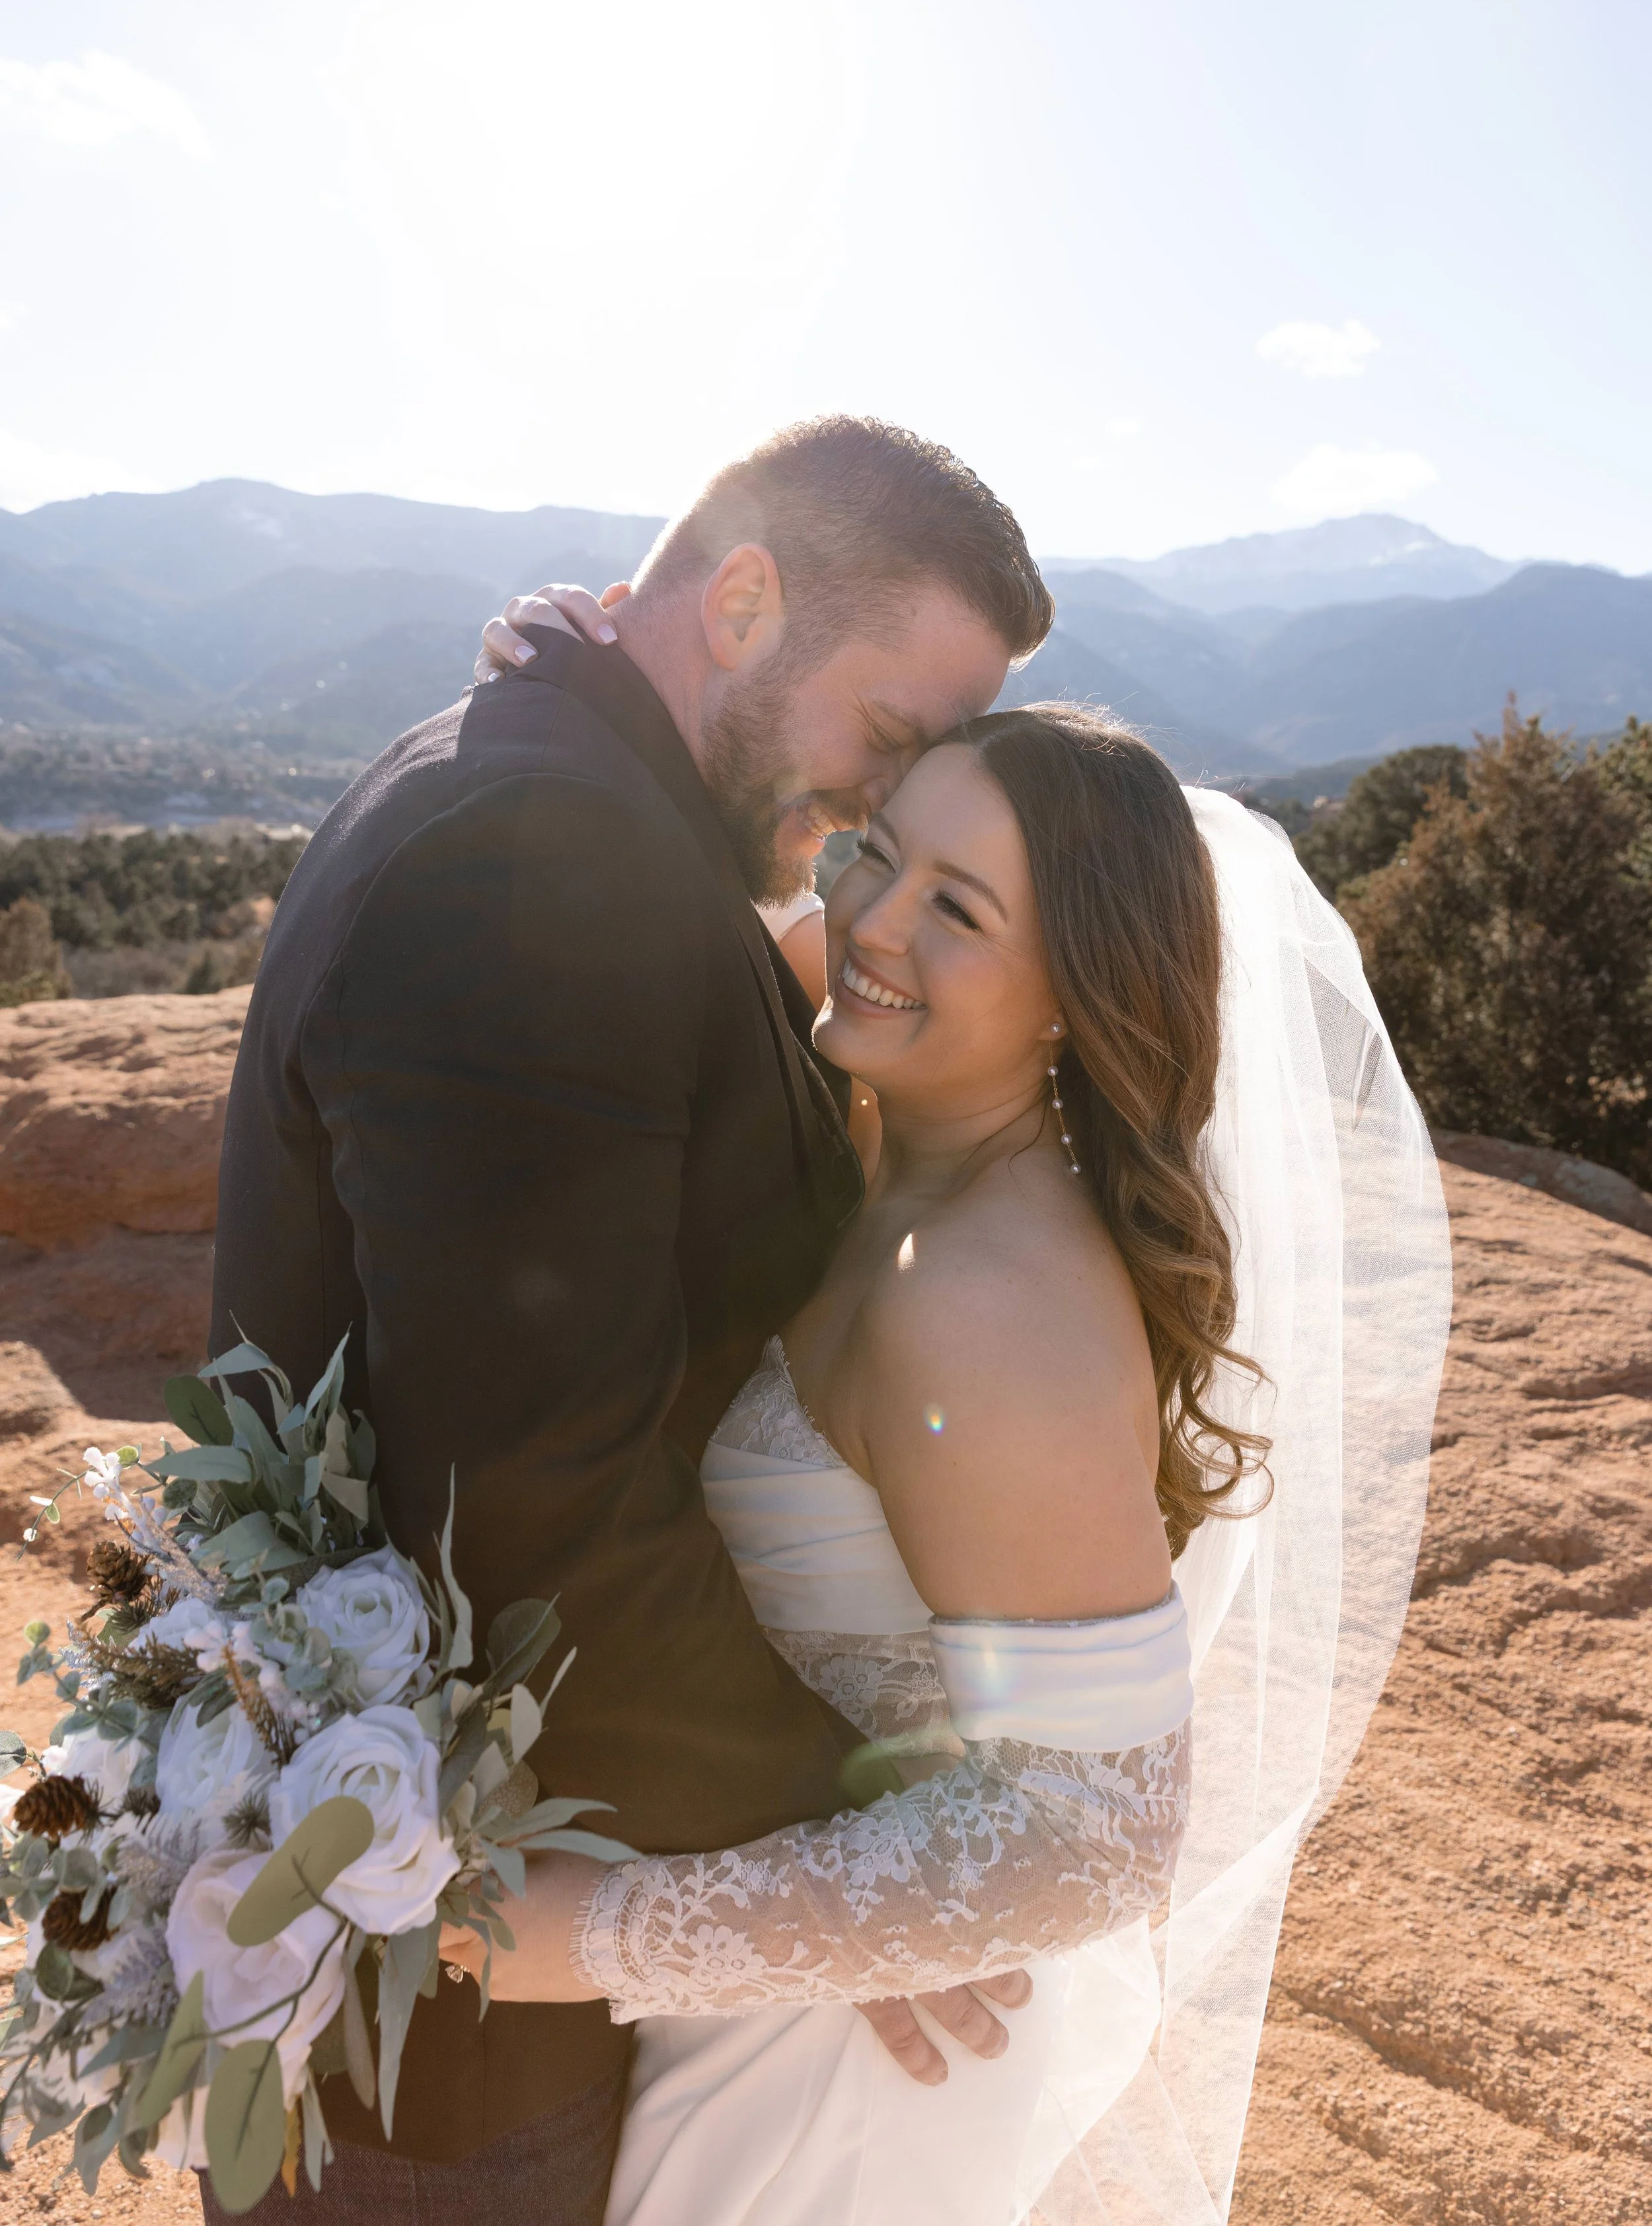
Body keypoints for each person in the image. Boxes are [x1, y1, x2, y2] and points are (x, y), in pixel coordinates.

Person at [439, 683, 1452, 2223]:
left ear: (1071, 995)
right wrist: (585, 667)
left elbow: (1097, 1834)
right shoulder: (891, 1116)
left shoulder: (986, 1304)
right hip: (807, 1983)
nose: (875, 920)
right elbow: (771, 924)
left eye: (959, 910)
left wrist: (593, 1937)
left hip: (854, 2084)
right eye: (876, 854)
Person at [206, 417, 1053, 2226]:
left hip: (497, 1936)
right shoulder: (541, 852)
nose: (883, 813)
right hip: (445, 2045)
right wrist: (859, 1850)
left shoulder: (551, 788)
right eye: (888, 738)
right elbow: (535, 1510)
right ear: (741, 601)